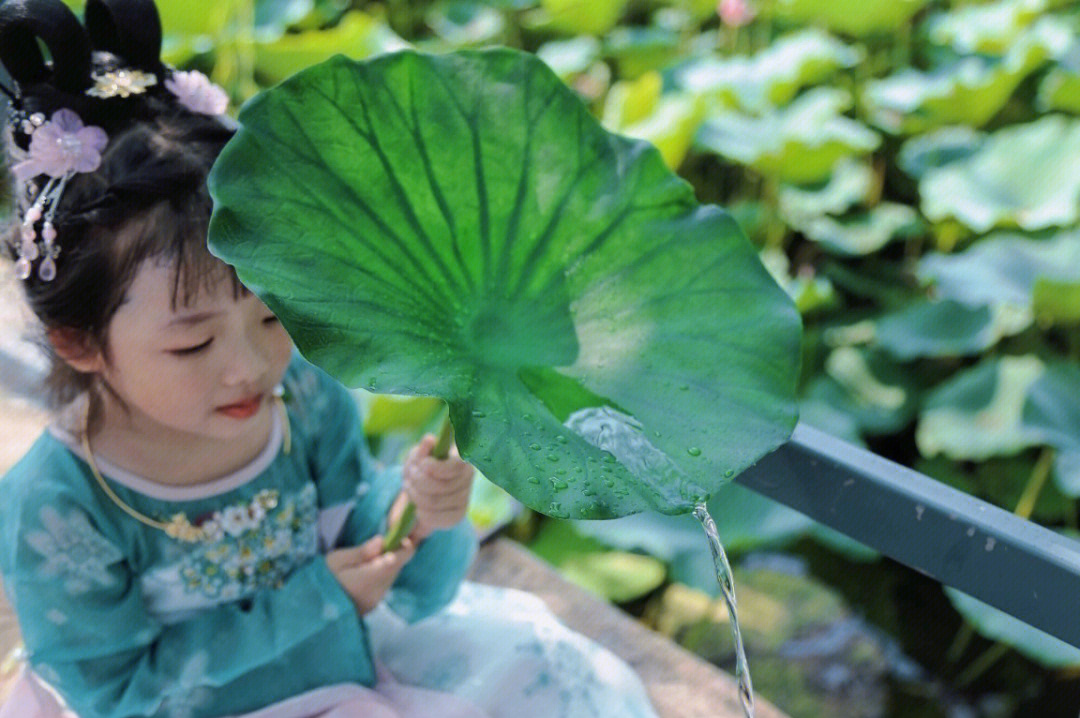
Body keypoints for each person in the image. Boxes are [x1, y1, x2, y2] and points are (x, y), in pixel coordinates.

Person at [0, 1, 661, 717]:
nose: (250, 366)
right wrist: (318, 605)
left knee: (541, 667)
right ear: (80, 341)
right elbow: (115, 695)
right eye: (193, 342)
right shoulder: (57, 506)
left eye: (273, 316)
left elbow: (369, 541)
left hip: (342, 655)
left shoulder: (304, 395)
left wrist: (413, 510)